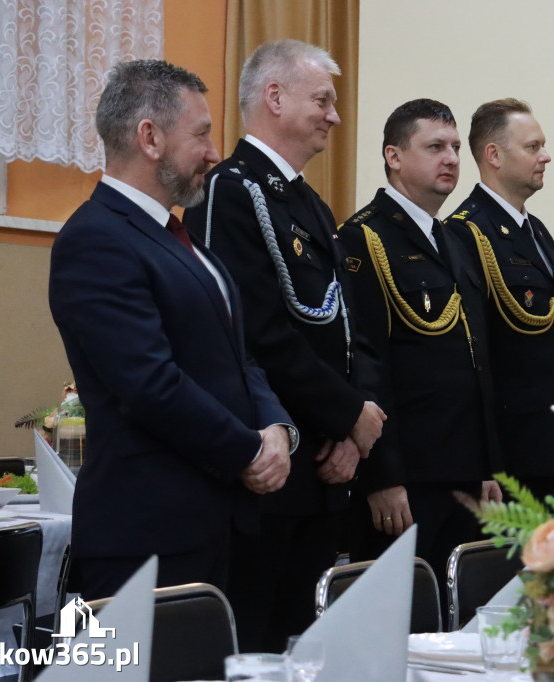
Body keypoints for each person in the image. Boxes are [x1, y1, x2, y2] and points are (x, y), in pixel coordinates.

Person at [48, 59, 295, 601]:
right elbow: (148, 384)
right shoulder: (96, 239)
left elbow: (238, 357)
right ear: (150, 138)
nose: (213, 152)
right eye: (201, 134)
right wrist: (248, 451)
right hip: (148, 534)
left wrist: (276, 428)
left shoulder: (177, 238)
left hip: (218, 521)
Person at [182, 40, 384, 652]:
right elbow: (253, 334)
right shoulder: (231, 190)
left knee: (306, 649)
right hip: (271, 468)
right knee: (254, 648)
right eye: (322, 100)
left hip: (324, 467)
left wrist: (351, 429)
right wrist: (345, 417)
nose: (334, 116)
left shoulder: (308, 203)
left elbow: (345, 328)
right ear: (275, 96)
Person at [338, 99, 502, 599]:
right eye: (434, 147)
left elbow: (478, 363)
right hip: (408, 477)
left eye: (454, 147)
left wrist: (487, 467)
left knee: (459, 619)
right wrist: (381, 477)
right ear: (394, 156)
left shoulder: (453, 240)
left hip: (463, 473)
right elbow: (366, 365)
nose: (450, 158)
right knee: (403, 617)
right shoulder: (364, 238)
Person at [445, 99, 554, 500]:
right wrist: (487, 460)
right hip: (511, 448)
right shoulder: (466, 232)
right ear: (494, 155)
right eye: (533, 147)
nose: (545, 156)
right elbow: (476, 356)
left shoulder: (537, 231)